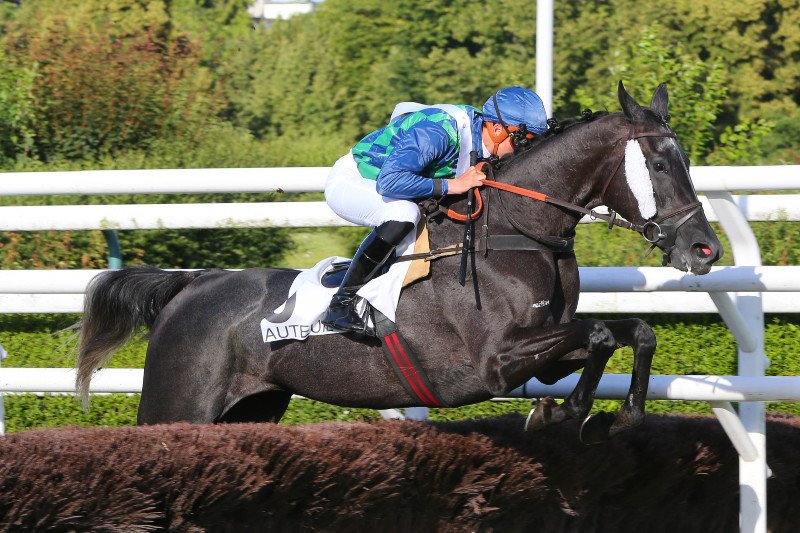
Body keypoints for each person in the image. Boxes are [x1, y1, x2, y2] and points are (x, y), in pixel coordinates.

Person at [322, 86, 549, 335]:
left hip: (393, 184)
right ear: (496, 129)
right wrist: (452, 185)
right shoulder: (439, 133)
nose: (524, 150)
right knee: (405, 213)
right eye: (523, 140)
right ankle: (341, 305)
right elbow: (389, 182)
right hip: (357, 180)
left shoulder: (487, 138)